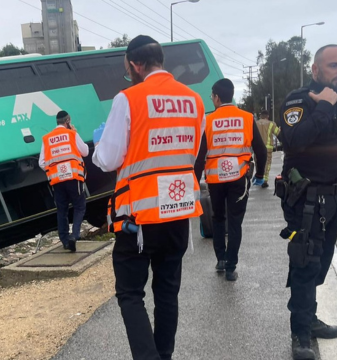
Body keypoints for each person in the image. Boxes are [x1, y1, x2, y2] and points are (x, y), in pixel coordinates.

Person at [92, 35, 205, 360]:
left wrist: (98, 149)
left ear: (134, 64)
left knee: (130, 294)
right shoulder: (194, 100)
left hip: (138, 217)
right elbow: (192, 152)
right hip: (179, 211)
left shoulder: (128, 99)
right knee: (168, 292)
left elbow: (110, 158)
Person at [276, 44, 337, 360]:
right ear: (316, 70)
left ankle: (311, 317)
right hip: (306, 199)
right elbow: (294, 140)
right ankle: (300, 334)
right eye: (334, 65)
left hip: (332, 197)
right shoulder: (299, 100)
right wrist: (321, 108)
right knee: (305, 263)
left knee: (320, 263)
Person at [194, 78, 267, 281]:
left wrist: (193, 179)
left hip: (215, 180)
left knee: (218, 218)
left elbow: (200, 156)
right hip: (239, 178)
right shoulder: (246, 117)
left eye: (212, 97)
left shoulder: (208, 121)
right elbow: (260, 150)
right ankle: (231, 266)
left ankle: (220, 259)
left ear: (217, 97)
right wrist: (260, 175)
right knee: (235, 222)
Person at [39, 110, 89, 252]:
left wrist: (55, 170)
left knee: (62, 210)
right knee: (79, 206)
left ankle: (65, 241)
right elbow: (85, 152)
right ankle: (74, 235)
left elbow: (42, 163)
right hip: (74, 177)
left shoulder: (47, 138)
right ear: (67, 121)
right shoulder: (72, 134)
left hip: (57, 180)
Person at [255, 110, 280, 188]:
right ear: (267, 116)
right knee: (267, 164)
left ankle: (259, 178)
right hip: (267, 148)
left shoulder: (255, 123)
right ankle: (265, 181)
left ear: (260, 116)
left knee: (258, 163)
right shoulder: (271, 124)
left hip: (257, 148)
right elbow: (278, 133)